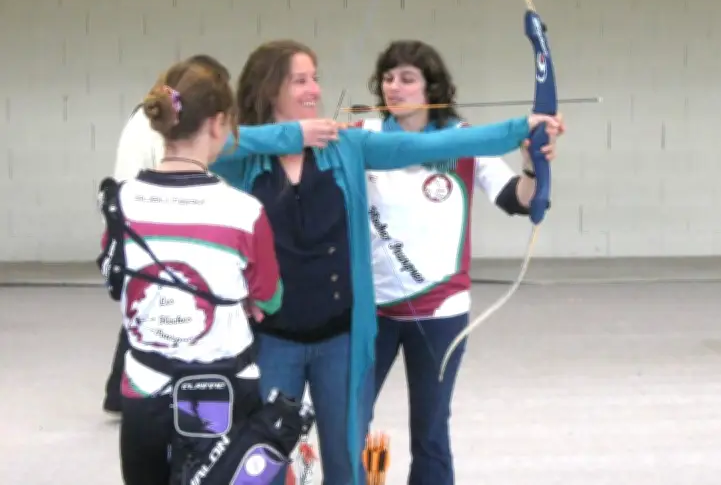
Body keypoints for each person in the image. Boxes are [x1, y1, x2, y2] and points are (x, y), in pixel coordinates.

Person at [208, 39, 563, 485]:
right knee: (265, 455)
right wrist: (293, 135)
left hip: (345, 335)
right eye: (301, 80)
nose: (315, 89)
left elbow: (449, 142)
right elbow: (214, 143)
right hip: (276, 336)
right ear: (269, 87)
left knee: (349, 457)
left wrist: (523, 129)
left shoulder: (346, 145)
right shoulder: (249, 157)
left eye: (315, 78)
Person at [358, 39, 564, 485]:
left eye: (407, 78)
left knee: (430, 431)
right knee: (348, 423)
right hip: (371, 310)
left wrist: (532, 166)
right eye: (388, 78)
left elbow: (517, 199)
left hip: (439, 312)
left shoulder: (465, 139)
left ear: (431, 87)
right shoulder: (365, 134)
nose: (394, 87)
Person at [97, 59, 312, 485]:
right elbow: (269, 298)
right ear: (217, 124)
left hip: (143, 391)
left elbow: (115, 280)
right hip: (220, 392)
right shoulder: (244, 211)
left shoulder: (121, 202)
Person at [102, 54, 231, 415]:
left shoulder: (148, 115)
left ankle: (120, 393)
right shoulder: (169, 128)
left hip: (132, 219)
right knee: (163, 311)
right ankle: (145, 395)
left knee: (144, 307)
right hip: (150, 221)